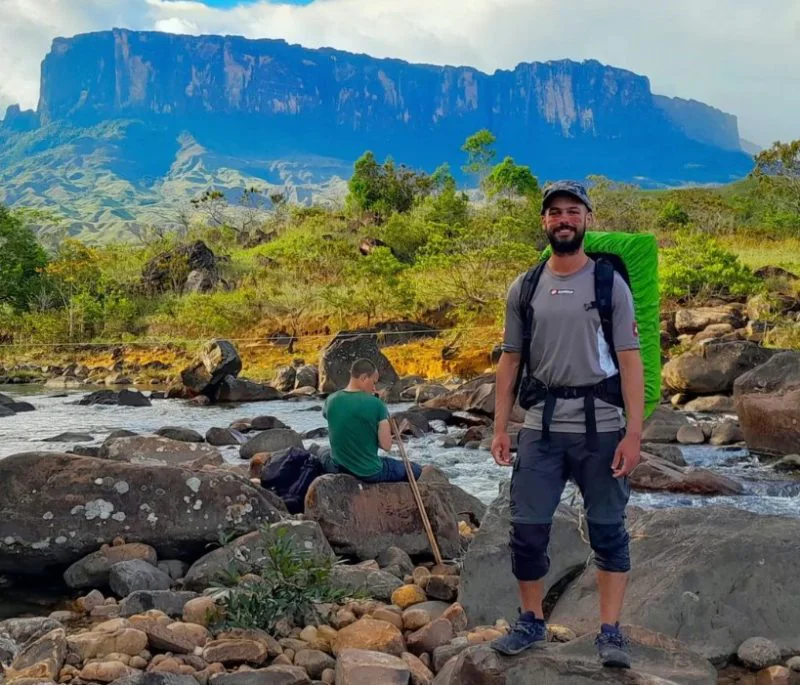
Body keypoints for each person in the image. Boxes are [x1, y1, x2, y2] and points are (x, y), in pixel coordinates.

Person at [489, 181, 645, 669]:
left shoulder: (607, 283)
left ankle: (611, 632)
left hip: (601, 427)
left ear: (587, 219)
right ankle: (531, 621)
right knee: (527, 530)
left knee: (608, 531)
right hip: (541, 426)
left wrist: (635, 433)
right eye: (554, 212)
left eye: (572, 211)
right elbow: (510, 360)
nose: (563, 219)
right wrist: (499, 428)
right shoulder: (526, 285)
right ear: (544, 222)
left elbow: (631, 359)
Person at [323, 358, 423, 482]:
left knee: (323, 453)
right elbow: (386, 445)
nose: (374, 387)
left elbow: (341, 422)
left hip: (337, 467)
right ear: (364, 378)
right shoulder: (376, 405)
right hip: (368, 472)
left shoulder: (330, 400)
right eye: (374, 382)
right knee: (416, 469)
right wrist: (377, 404)